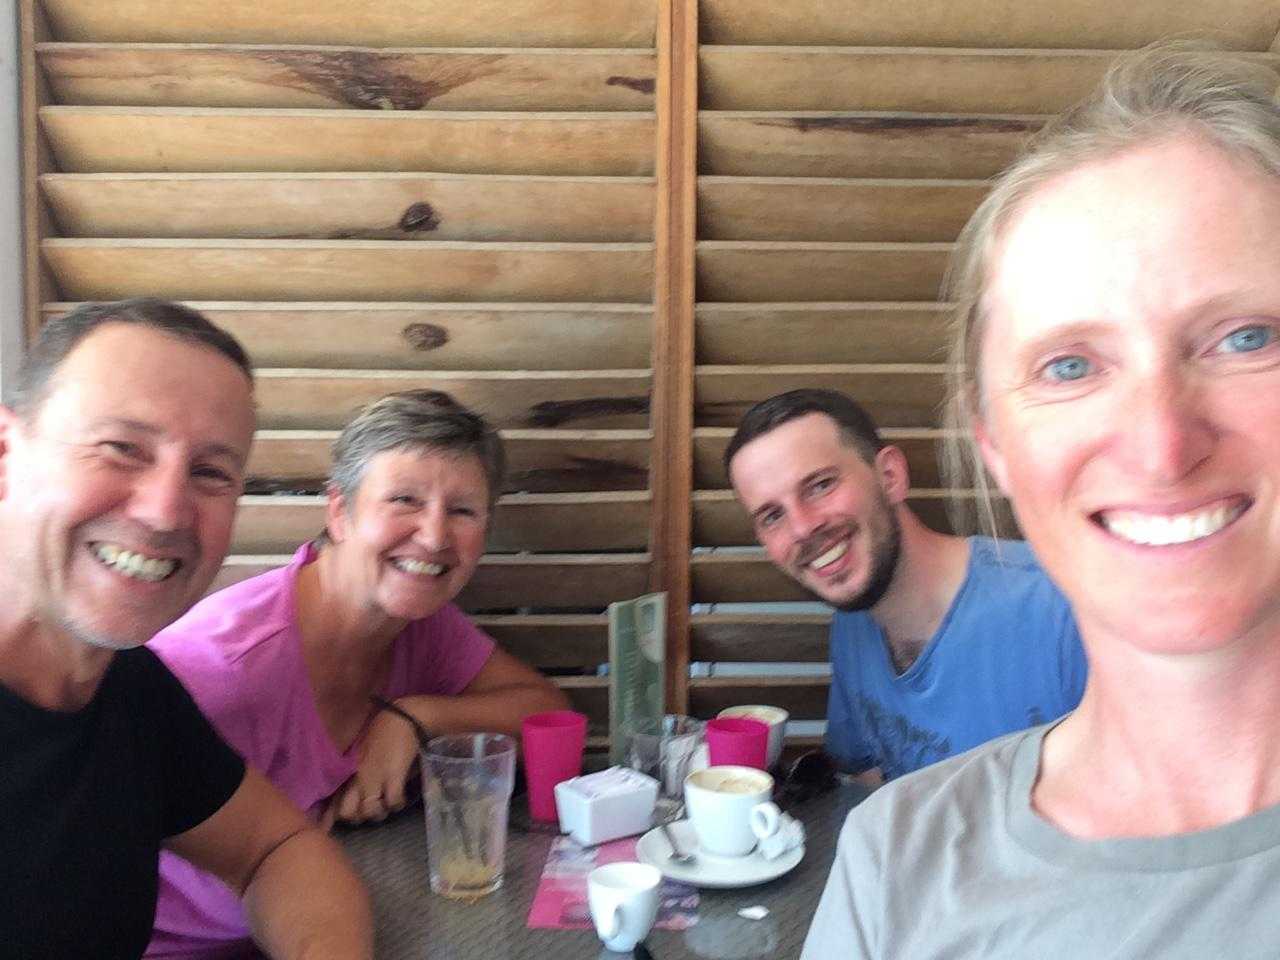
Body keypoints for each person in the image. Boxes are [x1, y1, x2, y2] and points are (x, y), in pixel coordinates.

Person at [802, 43, 1280, 958]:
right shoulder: (896, 860)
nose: (1161, 445)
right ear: (995, 445)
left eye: (1245, 338)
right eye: (1069, 366)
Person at [0, 299, 372, 959]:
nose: (166, 511)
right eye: (121, 449)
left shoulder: (131, 686)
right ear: (6, 456)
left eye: (209, 473)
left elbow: (276, 849)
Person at [146, 388, 569, 958]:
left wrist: (416, 719)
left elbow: (548, 712)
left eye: (463, 511)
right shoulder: (221, 668)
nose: (435, 536)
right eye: (404, 500)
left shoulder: (421, 624)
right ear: (339, 512)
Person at [726, 389, 1085, 781]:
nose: (801, 528)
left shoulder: (1062, 608)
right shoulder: (854, 619)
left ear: (890, 476)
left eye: (820, 485)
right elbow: (867, 777)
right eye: (772, 516)